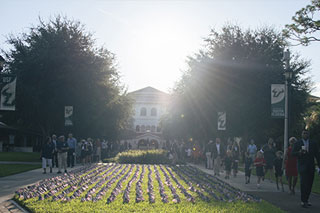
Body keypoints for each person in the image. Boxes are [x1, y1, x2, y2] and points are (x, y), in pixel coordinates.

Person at [292, 130, 320, 208]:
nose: (305, 134)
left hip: (311, 165)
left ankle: (306, 199)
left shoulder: (313, 143)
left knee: (309, 183)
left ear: (309, 134)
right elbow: (293, 154)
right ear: (301, 134)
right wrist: (299, 152)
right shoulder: (297, 143)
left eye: (306, 133)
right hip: (302, 165)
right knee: (303, 182)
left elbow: (317, 155)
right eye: (304, 133)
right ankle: (303, 200)